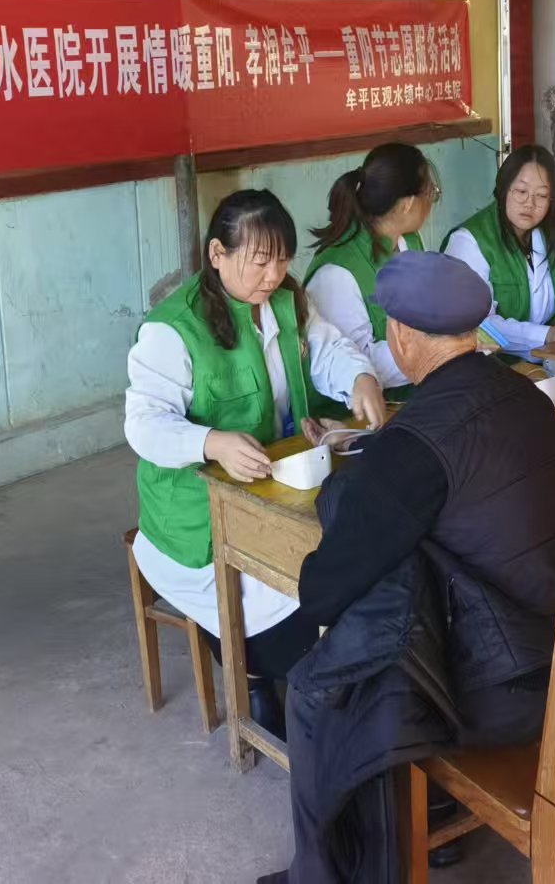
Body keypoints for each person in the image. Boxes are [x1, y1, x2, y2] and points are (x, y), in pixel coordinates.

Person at [269, 252, 555, 884]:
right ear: (472, 331)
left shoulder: (412, 450)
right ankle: (422, 815)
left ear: (400, 335)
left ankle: (337, 868)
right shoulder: (525, 394)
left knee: (351, 674)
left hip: (521, 698)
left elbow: (320, 593)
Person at [125, 190, 385, 736]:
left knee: (339, 565)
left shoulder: (285, 300)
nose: (274, 275)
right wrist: (211, 443)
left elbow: (327, 348)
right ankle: (255, 675)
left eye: (283, 260)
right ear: (217, 254)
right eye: (260, 260)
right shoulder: (172, 329)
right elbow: (144, 424)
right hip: (194, 517)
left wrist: (359, 377)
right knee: (281, 607)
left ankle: (292, 672)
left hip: (274, 485)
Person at [304, 143, 439, 392]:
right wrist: (436, 349)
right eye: (431, 192)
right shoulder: (337, 273)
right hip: (360, 407)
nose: (432, 201)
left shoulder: (409, 240)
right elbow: (358, 363)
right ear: (408, 204)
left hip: (420, 387)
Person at [442, 145, 555, 355]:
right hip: (491, 364)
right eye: (521, 191)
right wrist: (546, 334)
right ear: (503, 188)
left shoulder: (553, 240)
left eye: (541, 195)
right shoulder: (469, 241)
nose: (530, 203)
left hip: (547, 356)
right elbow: (477, 325)